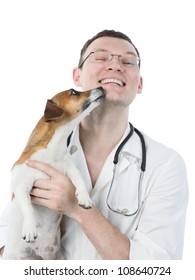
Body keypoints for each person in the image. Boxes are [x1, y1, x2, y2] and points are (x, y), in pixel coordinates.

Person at [0, 29, 188, 259]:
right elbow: (8, 233)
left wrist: (77, 208)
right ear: (77, 77)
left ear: (139, 84)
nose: (115, 65)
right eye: (101, 57)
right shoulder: (44, 154)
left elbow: (160, 267)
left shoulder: (165, 165)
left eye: (128, 61)